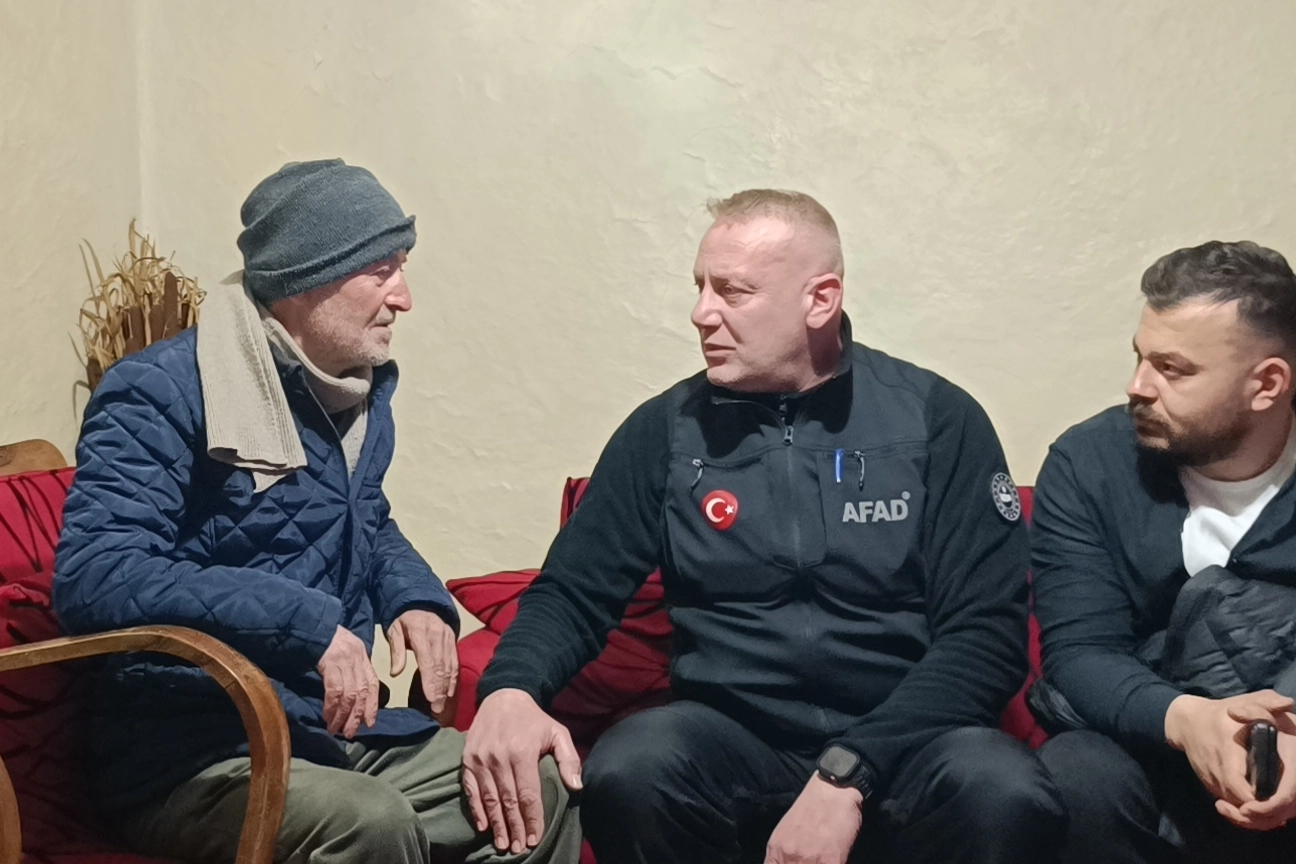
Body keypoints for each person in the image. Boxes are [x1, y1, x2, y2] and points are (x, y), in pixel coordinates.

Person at [462, 189, 1064, 864]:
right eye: (699, 287)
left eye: (732, 291)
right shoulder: (665, 431)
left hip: (909, 741)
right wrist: (511, 688)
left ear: (820, 301)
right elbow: (573, 593)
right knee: (633, 765)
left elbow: (986, 638)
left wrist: (849, 773)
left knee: (1002, 788)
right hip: (735, 741)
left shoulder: (936, 420)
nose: (701, 313)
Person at [52, 159, 581, 864]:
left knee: (535, 782)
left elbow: (364, 518)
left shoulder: (353, 392)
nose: (405, 298)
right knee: (370, 822)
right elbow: (96, 574)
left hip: (326, 732)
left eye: (402, 268)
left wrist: (414, 598)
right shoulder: (158, 391)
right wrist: (305, 626)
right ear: (307, 278)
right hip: (194, 754)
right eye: (382, 272)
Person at [1032, 240, 1296, 863]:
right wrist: (1189, 721)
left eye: (1173, 370)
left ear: (1267, 384)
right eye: (1140, 358)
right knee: (1076, 774)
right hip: (1152, 734)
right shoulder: (1091, 463)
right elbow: (1080, 652)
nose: (1138, 387)